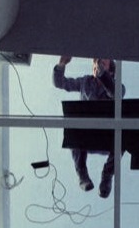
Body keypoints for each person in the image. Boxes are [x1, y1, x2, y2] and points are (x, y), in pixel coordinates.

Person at [52, 56, 125, 198]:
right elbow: (61, 83)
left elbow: (116, 94)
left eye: (103, 63)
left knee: (124, 138)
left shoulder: (118, 86)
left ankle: (107, 176)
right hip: (86, 134)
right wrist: (61, 64)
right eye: (96, 63)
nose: (98, 64)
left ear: (111, 70)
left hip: (106, 137)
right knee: (73, 123)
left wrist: (102, 75)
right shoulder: (85, 81)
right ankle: (82, 175)